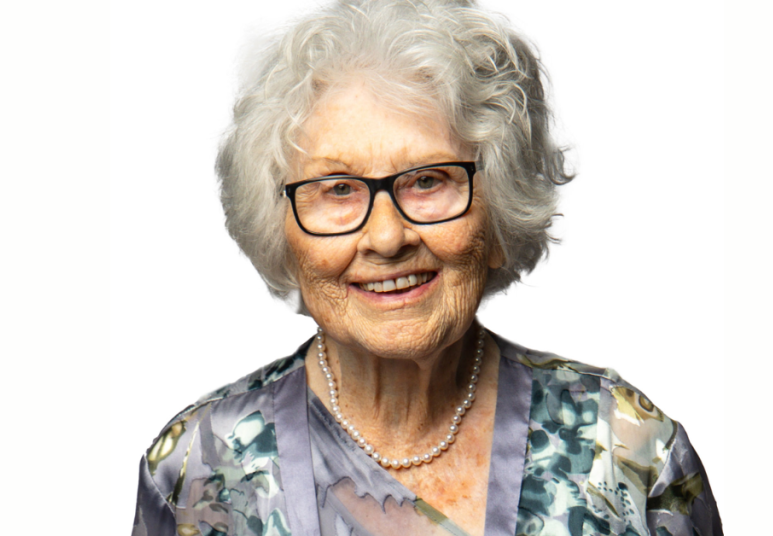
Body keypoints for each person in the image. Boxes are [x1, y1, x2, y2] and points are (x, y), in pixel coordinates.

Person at [131, 1, 721, 534]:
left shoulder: (628, 451)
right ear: (281, 232)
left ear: (501, 210)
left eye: (428, 181)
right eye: (339, 189)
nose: (388, 237)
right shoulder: (198, 467)